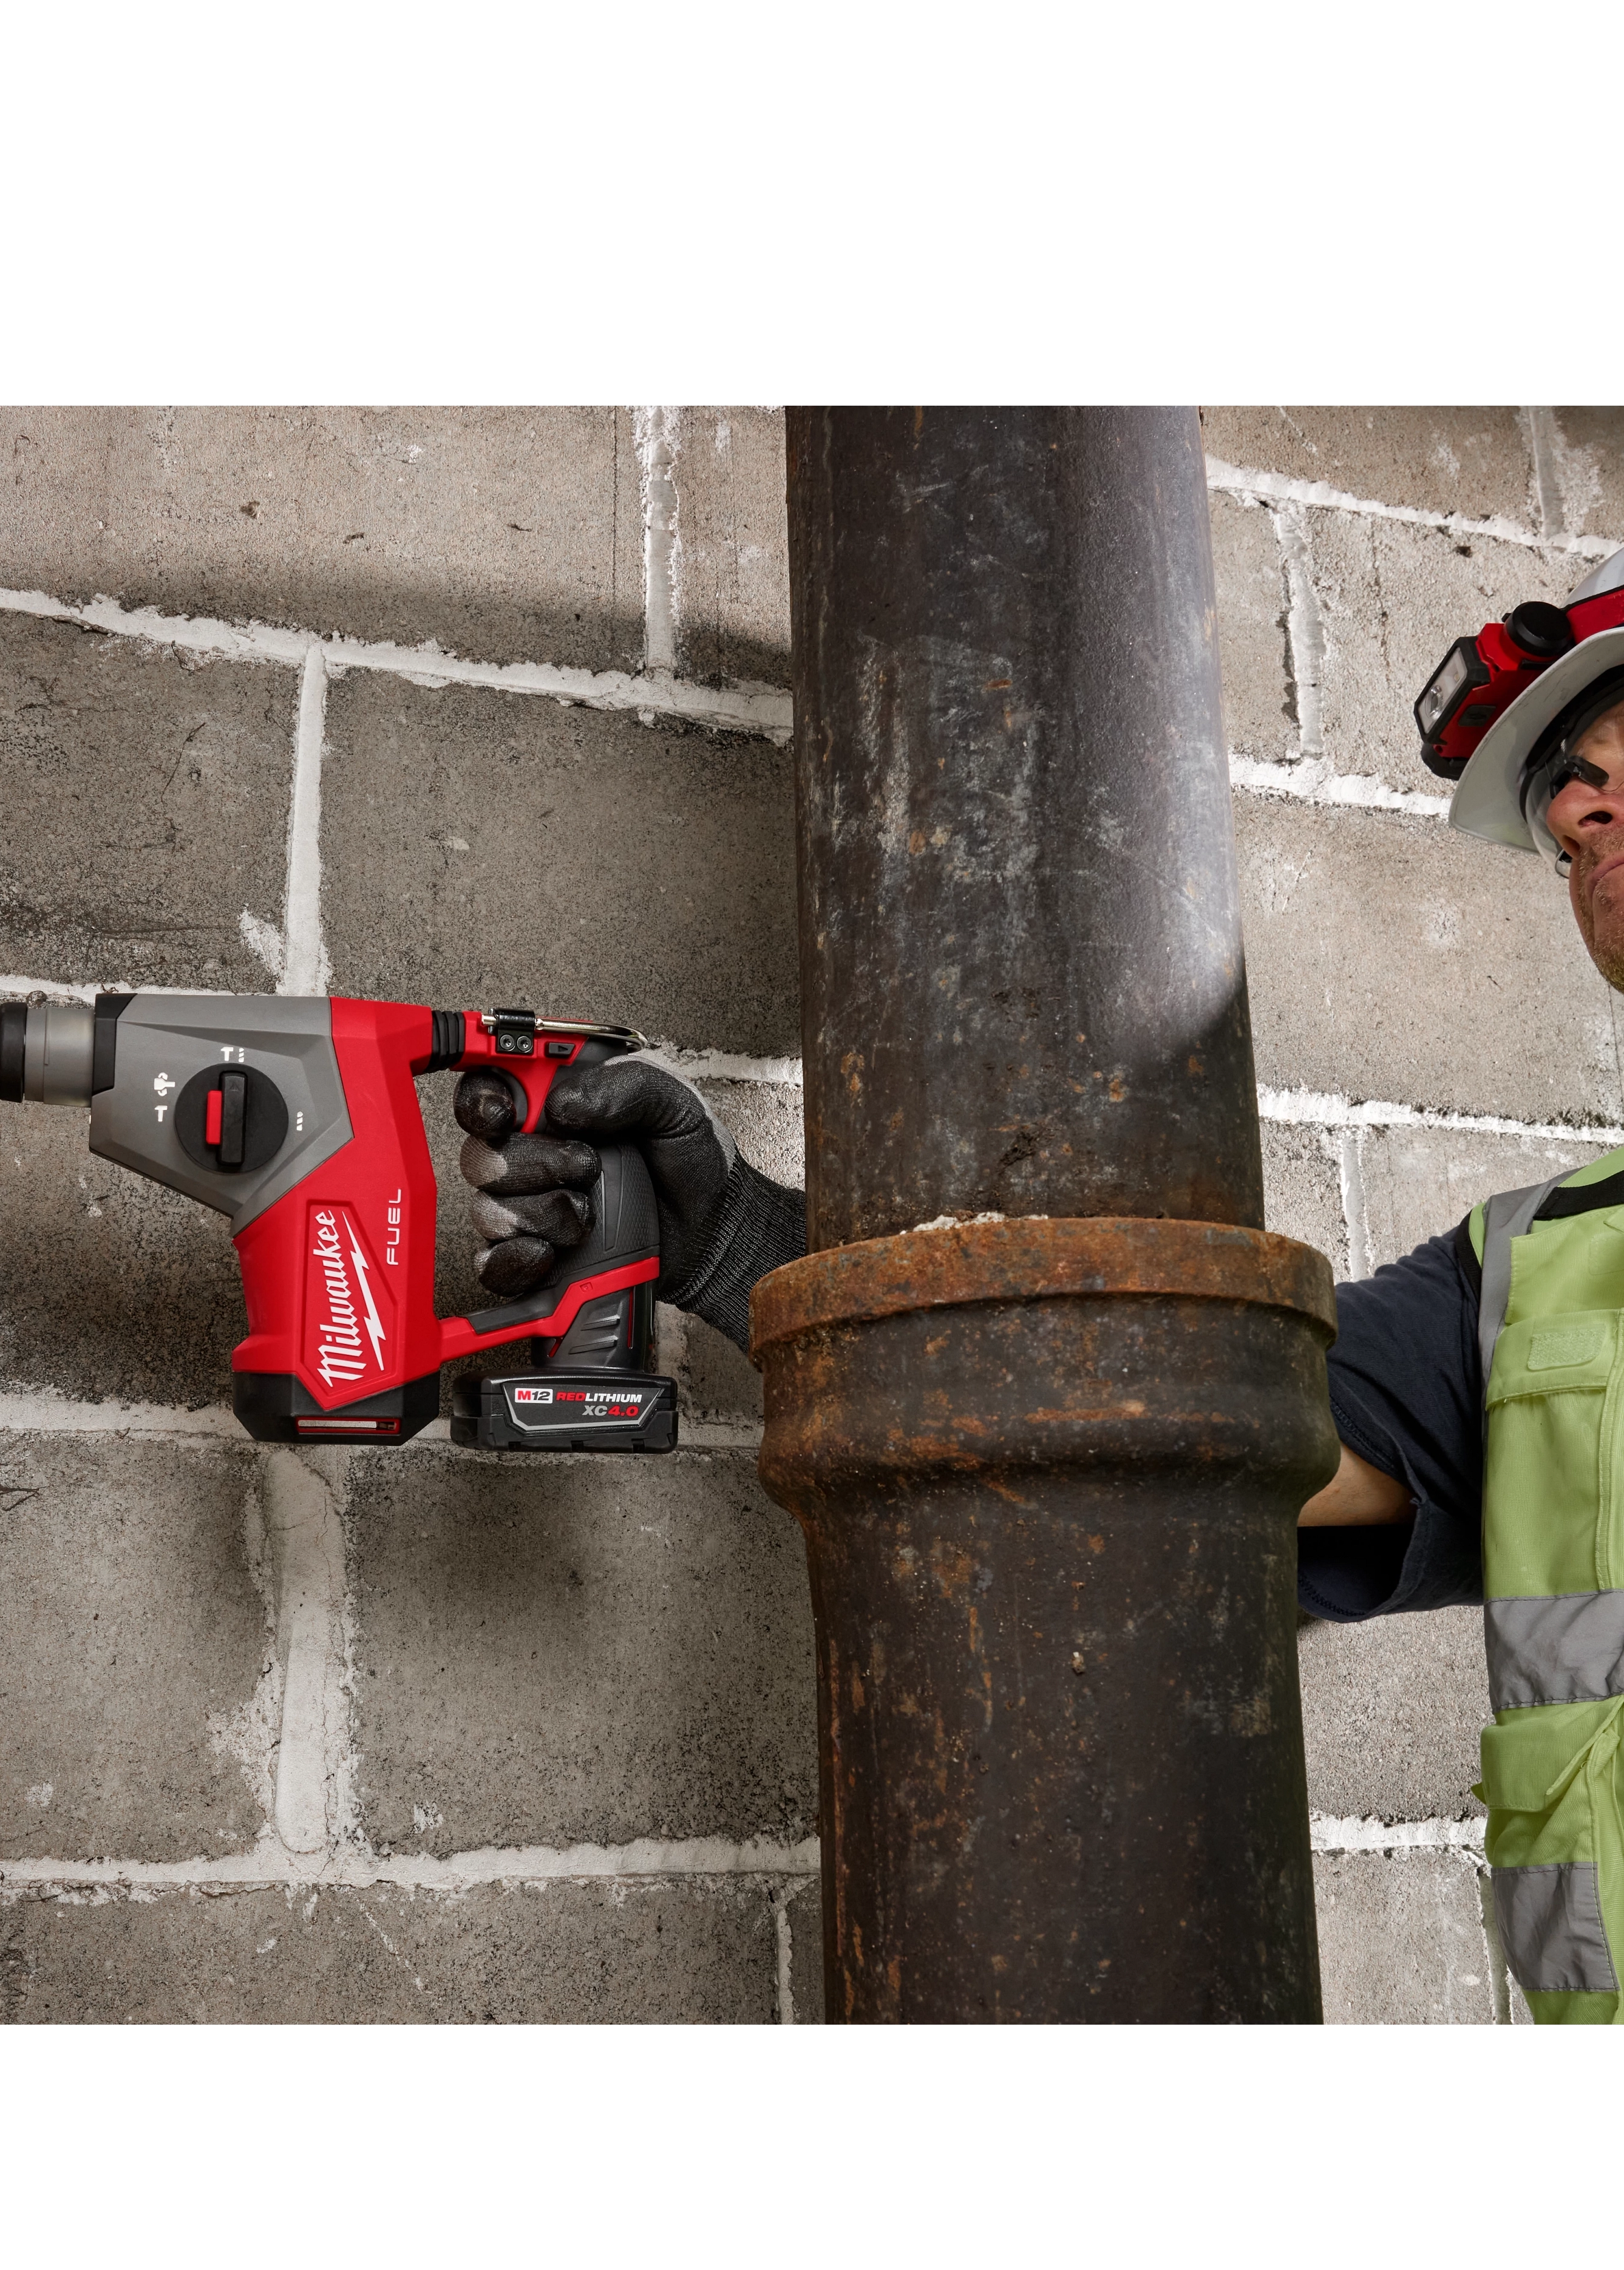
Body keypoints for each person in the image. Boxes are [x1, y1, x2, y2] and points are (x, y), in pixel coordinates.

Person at [458, 546, 1624, 2028]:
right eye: (1568, 778)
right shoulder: (1543, 1266)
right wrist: (749, 1246)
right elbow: (1165, 1421)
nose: (1581, 801)